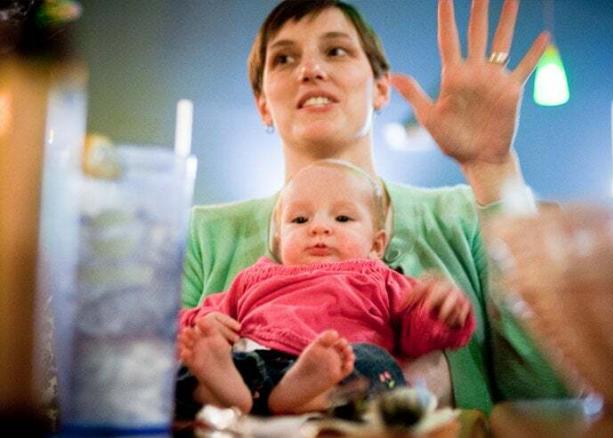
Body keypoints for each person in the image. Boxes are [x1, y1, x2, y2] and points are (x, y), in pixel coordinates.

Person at [181, 0, 570, 414]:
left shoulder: (460, 216)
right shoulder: (202, 234)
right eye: (283, 58)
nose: (310, 70)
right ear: (262, 104)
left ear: (381, 88)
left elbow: (548, 391)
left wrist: (492, 168)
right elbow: (152, 384)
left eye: (336, 51)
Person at [177, 159, 475, 415]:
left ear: (376, 244)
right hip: (260, 359)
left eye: (343, 218)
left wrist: (439, 309)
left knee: (379, 365)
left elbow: (417, 334)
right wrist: (202, 325)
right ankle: (240, 391)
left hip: (338, 366)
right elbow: (200, 317)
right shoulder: (254, 278)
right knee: (184, 372)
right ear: (279, 240)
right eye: (300, 219)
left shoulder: (382, 278)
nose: (318, 227)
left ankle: (283, 395)